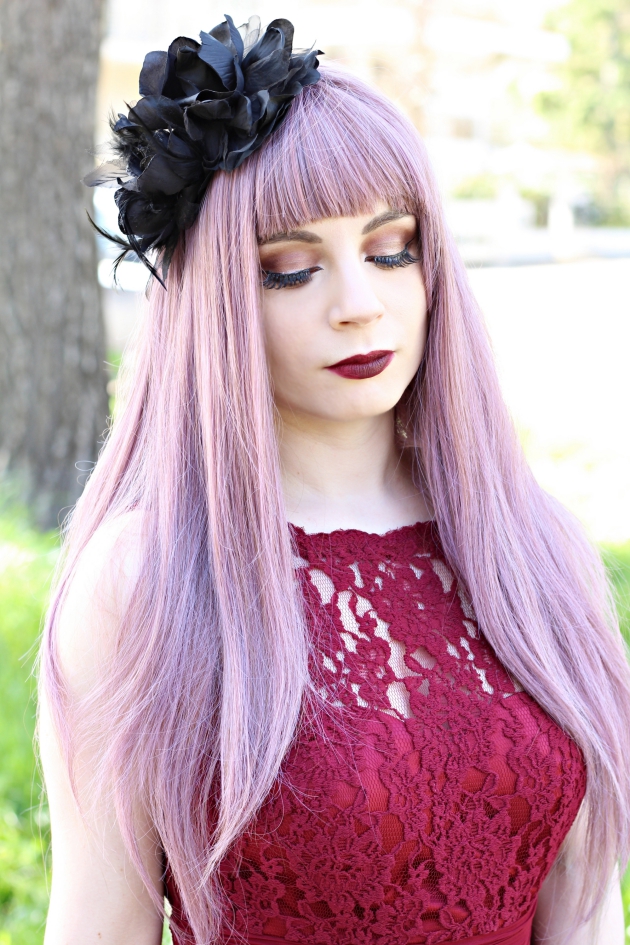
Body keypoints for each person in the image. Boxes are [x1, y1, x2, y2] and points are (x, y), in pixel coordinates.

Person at [39, 14, 630, 945]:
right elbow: (96, 927)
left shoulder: (534, 545)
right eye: (290, 269)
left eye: (392, 249)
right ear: (219, 299)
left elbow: (586, 911)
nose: (360, 305)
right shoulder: (142, 581)